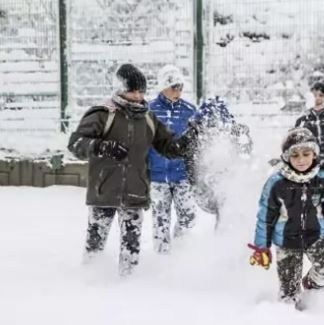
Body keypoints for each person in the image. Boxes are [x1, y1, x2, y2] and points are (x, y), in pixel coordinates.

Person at [68, 63, 200, 276]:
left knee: (131, 249)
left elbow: (168, 147)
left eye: (141, 91)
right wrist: (102, 147)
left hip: (135, 193)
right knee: (95, 244)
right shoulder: (103, 114)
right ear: (120, 89)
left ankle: (128, 287)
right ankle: (89, 284)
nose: (138, 96)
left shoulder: (148, 118)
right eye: (133, 91)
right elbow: (75, 143)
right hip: (104, 191)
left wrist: (186, 141)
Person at [248, 127, 324, 308]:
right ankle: (289, 312)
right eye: (295, 155)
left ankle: (310, 290)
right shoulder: (277, 183)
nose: (301, 160)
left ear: (314, 154)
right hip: (286, 240)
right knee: (289, 294)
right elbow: (265, 217)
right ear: (287, 157)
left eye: (306, 154)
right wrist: (262, 247)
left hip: (315, 237)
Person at [148, 65, 199, 254]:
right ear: (163, 87)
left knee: (188, 216)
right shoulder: (149, 110)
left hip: (182, 175)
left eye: (181, 87)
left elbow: (196, 143)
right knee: (160, 220)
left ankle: (180, 249)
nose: (178, 91)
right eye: (173, 87)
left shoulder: (190, 110)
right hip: (157, 176)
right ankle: (162, 258)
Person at [185, 96, 252, 229]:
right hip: (204, 188)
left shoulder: (233, 134)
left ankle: (225, 233)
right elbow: (190, 162)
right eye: (209, 124)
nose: (214, 129)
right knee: (224, 202)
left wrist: (244, 136)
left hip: (225, 183)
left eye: (218, 124)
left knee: (226, 204)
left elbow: (245, 155)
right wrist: (196, 182)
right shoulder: (196, 137)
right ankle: (224, 232)